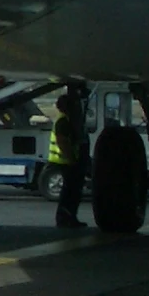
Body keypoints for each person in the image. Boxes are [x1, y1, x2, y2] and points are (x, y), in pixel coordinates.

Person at [49, 83, 90, 227]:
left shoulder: (65, 120)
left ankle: (68, 217)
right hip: (66, 162)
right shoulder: (64, 122)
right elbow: (63, 143)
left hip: (67, 161)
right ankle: (66, 217)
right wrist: (72, 159)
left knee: (71, 192)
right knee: (70, 192)